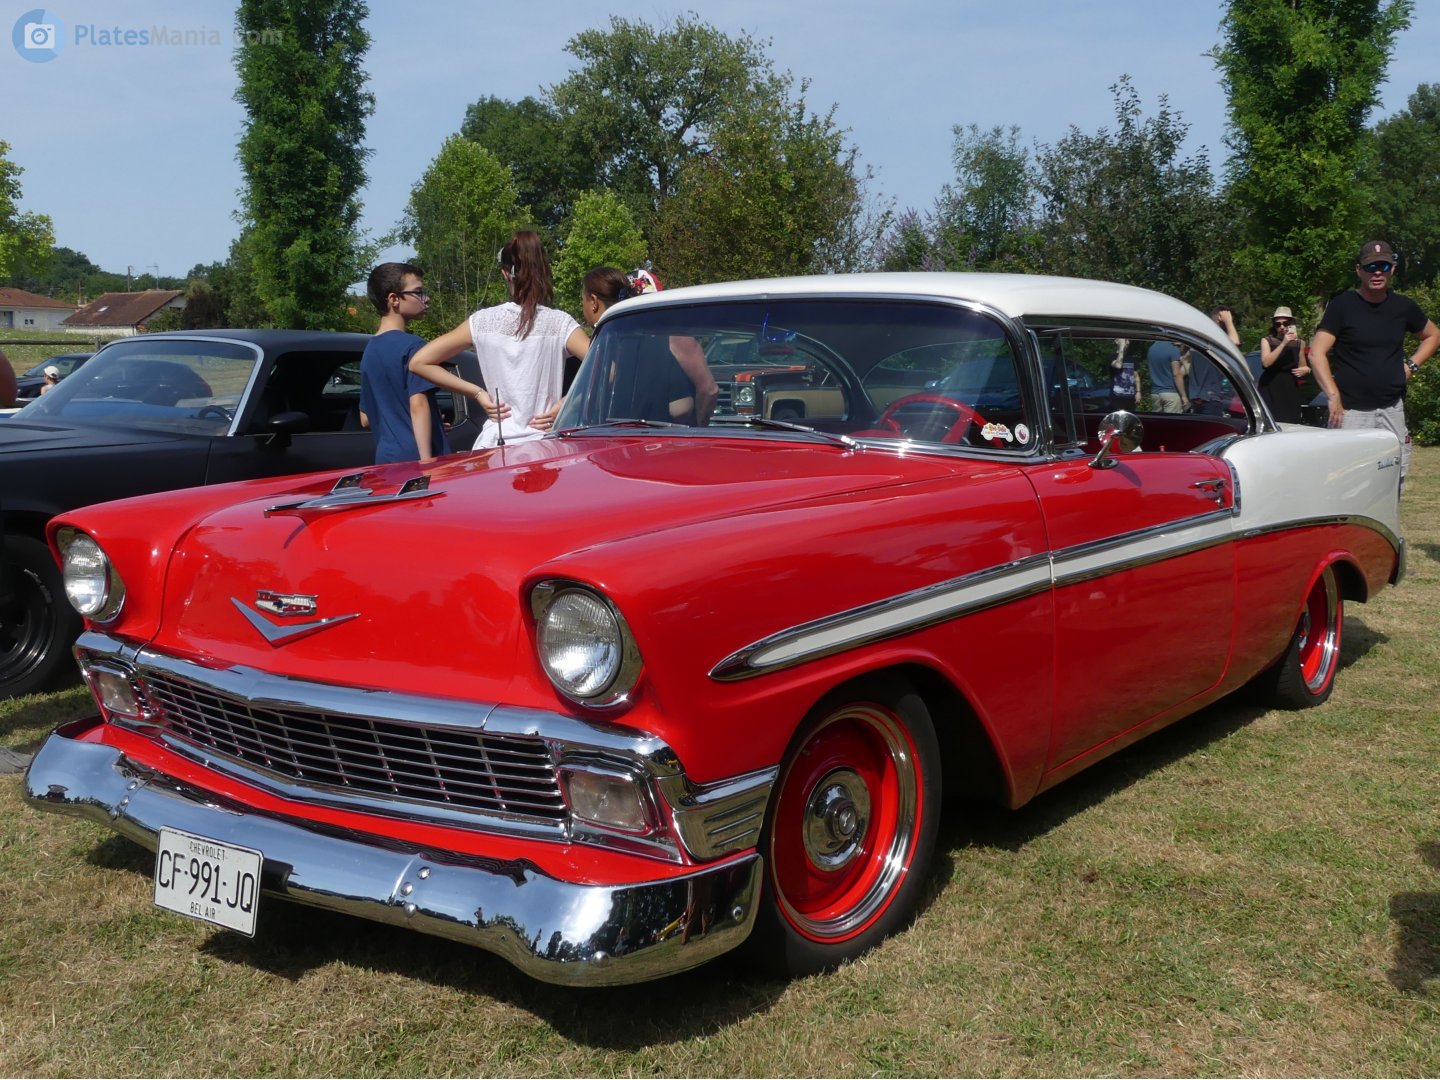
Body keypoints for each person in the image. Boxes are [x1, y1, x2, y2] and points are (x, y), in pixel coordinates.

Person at [410, 231, 589, 448]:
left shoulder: (482, 322)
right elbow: (609, 369)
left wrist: (477, 394)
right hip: (545, 443)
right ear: (543, 270)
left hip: (495, 445)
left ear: (505, 274)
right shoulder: (560, 323)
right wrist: (567, 403)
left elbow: (419, 362)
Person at [1309, 240, 1440, 486]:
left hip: (1392, 410)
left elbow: (1433, 335)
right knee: (1346, 482)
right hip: (1350, 413)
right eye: (1371, 267)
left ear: (1393, 269)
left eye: (1383, 266)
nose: (1377, 272)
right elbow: (1316, 353)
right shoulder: (1342, 305)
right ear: (1359, 270)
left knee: (1392, 481)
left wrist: (1411, 366)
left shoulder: (1404, 306)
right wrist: (1332, 394)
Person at [581, 266, 718, 425]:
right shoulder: (611, 341)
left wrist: (698, 431)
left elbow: (708, 390)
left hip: (670, 437)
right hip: (624, 435)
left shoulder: (675, 338)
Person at [357, 262, 446, 464]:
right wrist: (426, 461)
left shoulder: (369, 350)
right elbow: (418, 404)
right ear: (394, 299)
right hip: (416, 458)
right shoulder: (414, 346)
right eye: (418, 292)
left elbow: (366, 418)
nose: (427, 298)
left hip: (386, 457)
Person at [1256, 306, 1309, 424]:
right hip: (1270, 384)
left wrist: (1306, 369)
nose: (1282, 327)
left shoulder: (1300, 343)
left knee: (1292, 421)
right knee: (1272, 421)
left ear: (1292, 323)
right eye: (1278, 324)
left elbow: (1303, 366)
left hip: (1289, 385)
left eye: (1286, 323)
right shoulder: (1267, 340)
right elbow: (1266, 362)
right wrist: (1284, 343)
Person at [1146, 339, 1189, 413]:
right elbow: (1176, 374)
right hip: (1170, 393)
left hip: (1155, 394)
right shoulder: (1173, 350)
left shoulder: (1151, 349)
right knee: (1172, 423)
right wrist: (1184, 396)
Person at [1108, 337, 1139, 411]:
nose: (1127, 343)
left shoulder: (1132, 359)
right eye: (1125, 340)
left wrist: (1138, 392)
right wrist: (1121, 347)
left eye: (1128, 340)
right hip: (1117, 397)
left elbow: (1136, 376)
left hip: (1130, 397)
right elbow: (1118, 365)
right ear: (1116, 341)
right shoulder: (1111, 357)